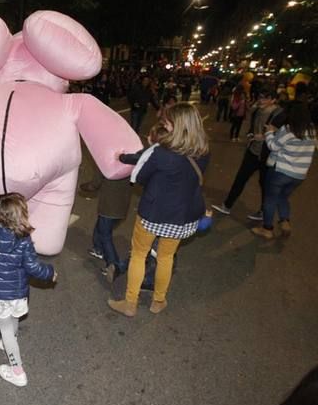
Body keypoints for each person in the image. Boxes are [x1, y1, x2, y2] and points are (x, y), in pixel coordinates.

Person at [108, 103, 209, 317]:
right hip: (182, 216)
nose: (164, 125)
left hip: (153, 214)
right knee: (166, 257)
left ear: (177, 125)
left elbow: (141, 177)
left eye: (167, 122)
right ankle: (158, 301)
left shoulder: (162, 153)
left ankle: (130, 302)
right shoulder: (202, 151)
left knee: (138, 255)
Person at [0, 192, 57, 387]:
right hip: (18, 292)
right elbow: (33, 267)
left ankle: (17, 371)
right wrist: (50, 272)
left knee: (4, 327)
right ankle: (9, 346)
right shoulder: (23, 237)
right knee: (13, 319)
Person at [212, 89, 284, 220]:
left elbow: (282, 135)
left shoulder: (279, 114)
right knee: (240, 178)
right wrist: (251, 134)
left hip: (268, 154)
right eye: (260, 97)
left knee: (265, 184)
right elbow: (252, 127)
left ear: (273, 100)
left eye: (265, 98)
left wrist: (263, 137)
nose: (261, 101)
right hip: (253, 151)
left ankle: (263, 212)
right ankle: (227, 206)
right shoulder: (257, 111)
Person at [251, 102, 315, 239]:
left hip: (281, 171)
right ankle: (284, 221)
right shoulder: (312, 131)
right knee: (283, 197)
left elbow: (273, 146)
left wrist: (268, 132)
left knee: (270, 199)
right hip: (299, 175)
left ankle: (267, 229)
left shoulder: (288, 129)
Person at [86, 172, 132, 282]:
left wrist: (89, 186)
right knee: (101, 226)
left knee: (105, 234)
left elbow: (96, 181)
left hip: (109, 203)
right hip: (123, 202)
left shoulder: (108, 158)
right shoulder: (132, 158)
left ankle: (113, 264)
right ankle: (98, 249)